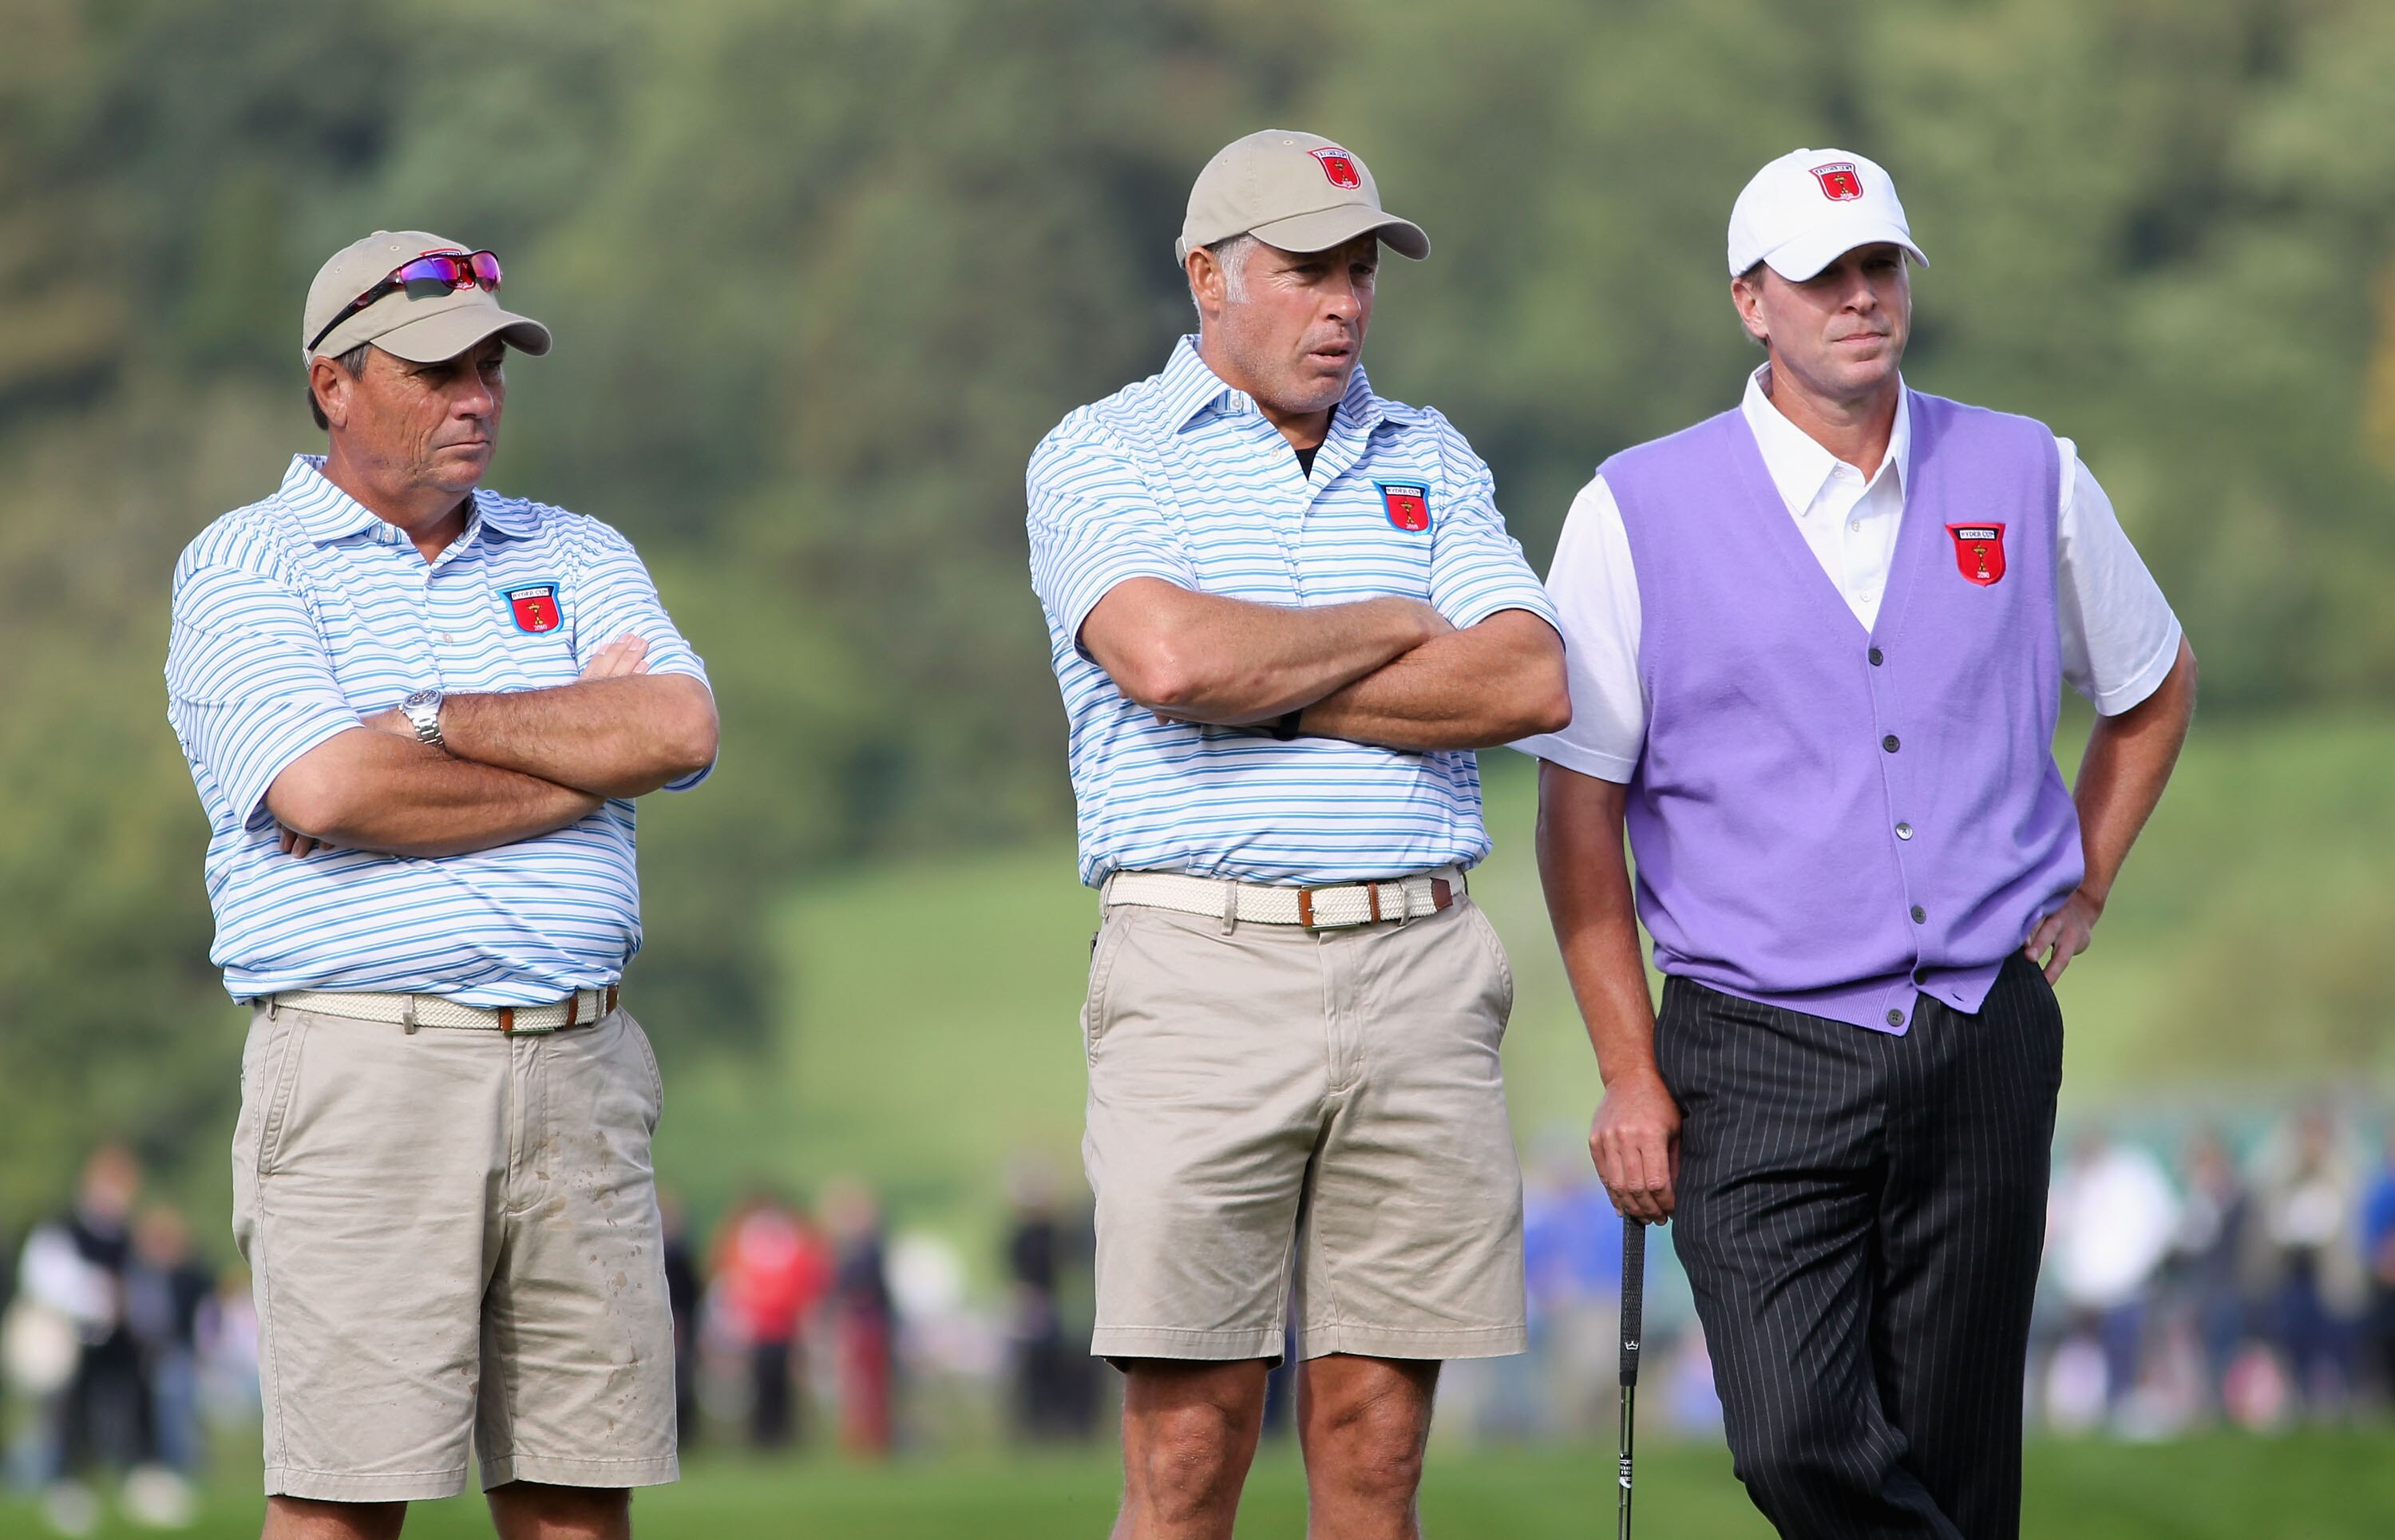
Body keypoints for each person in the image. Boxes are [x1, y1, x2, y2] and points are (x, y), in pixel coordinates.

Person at [1525, 148, 2196, 1538]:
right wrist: (1624, 1070)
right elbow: (1579, 808)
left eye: (1879, 266)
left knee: (1957, 1463)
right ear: (1749, 302)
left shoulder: (2025, 468)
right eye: (1822, 275)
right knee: (1797, 1438)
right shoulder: (1631, 511)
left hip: (1982, 1031)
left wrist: (2090, 875)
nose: (1859, 297)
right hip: (1750, 1046)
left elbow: (2150, 682)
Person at [1025, 129, 1568, 1538]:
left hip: (1418, 961)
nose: (1345, 303)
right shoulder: (1102, 450)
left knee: (1377, 1445)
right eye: (1308, 270)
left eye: (1361, 272)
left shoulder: (1427, 450)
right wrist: (1394, 627)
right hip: (1204, 968)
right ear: (1208, 275)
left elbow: (1524, 678)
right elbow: (1169, 661)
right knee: (1191, 1447)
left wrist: (1273, 691)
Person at [164, 231, 718, 1539]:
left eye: (488, 366)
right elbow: (328, 794)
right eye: (434, 370)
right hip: (369, 1075)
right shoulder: (245, 563)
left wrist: (417, 721)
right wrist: (584, 760)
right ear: (333, 384)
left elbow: (682, 731)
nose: (475, 395)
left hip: (580, 1067)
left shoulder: (575, 549)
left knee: (580, 1508)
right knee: (341, 1508)